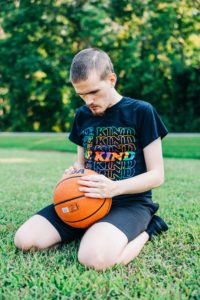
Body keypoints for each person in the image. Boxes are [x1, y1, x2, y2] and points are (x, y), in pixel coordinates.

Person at [14, 48, 168, 271]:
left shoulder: (142, 111)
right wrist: (74, 172)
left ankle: (149, 229)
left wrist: (113, 188)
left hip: (129, 203)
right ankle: (93, 232)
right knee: (25, 241)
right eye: (82, 95)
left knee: (95, 260)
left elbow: (157, 175)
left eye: (94, 92)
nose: (89, 101)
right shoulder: (82, 115)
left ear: (112, 79)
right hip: (87, 200)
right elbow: (82, 165)